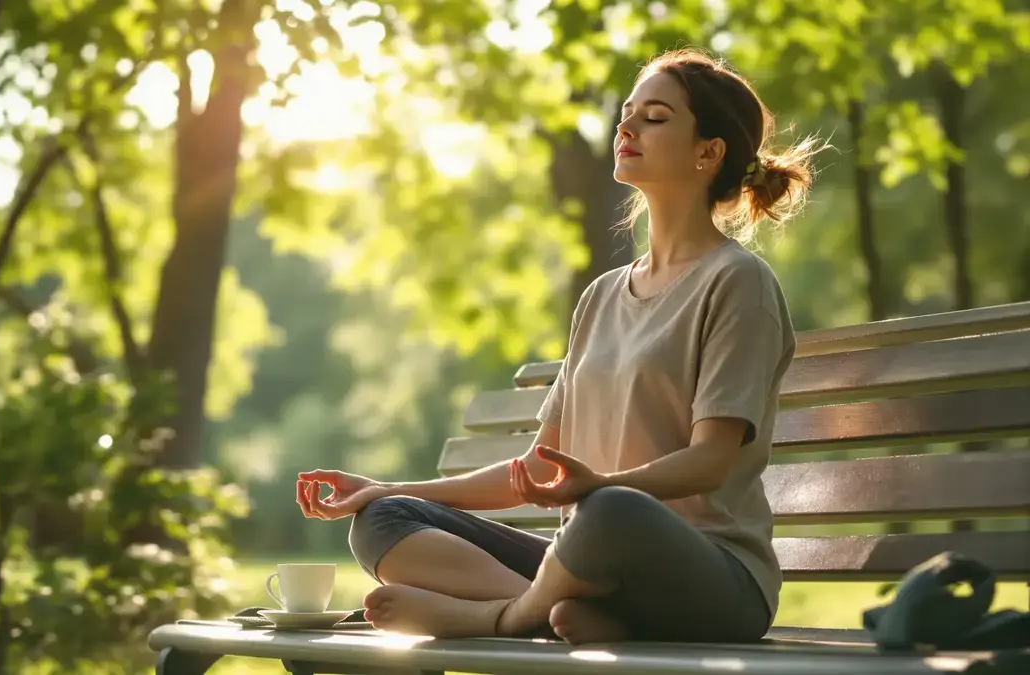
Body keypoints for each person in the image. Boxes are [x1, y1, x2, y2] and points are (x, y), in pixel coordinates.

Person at [294, 47, 823, 645]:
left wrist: (595, 485)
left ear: (709, 151)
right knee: (382, 522)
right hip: (587, 565)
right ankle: (563, 614)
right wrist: (389, 488)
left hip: (711, 577)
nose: (625, 127)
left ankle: (506, 618)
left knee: (611, 510)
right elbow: (536, 468)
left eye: (655, 116)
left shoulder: (737, 282)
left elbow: (711, 461)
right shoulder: (601, 296)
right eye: (627, 112)